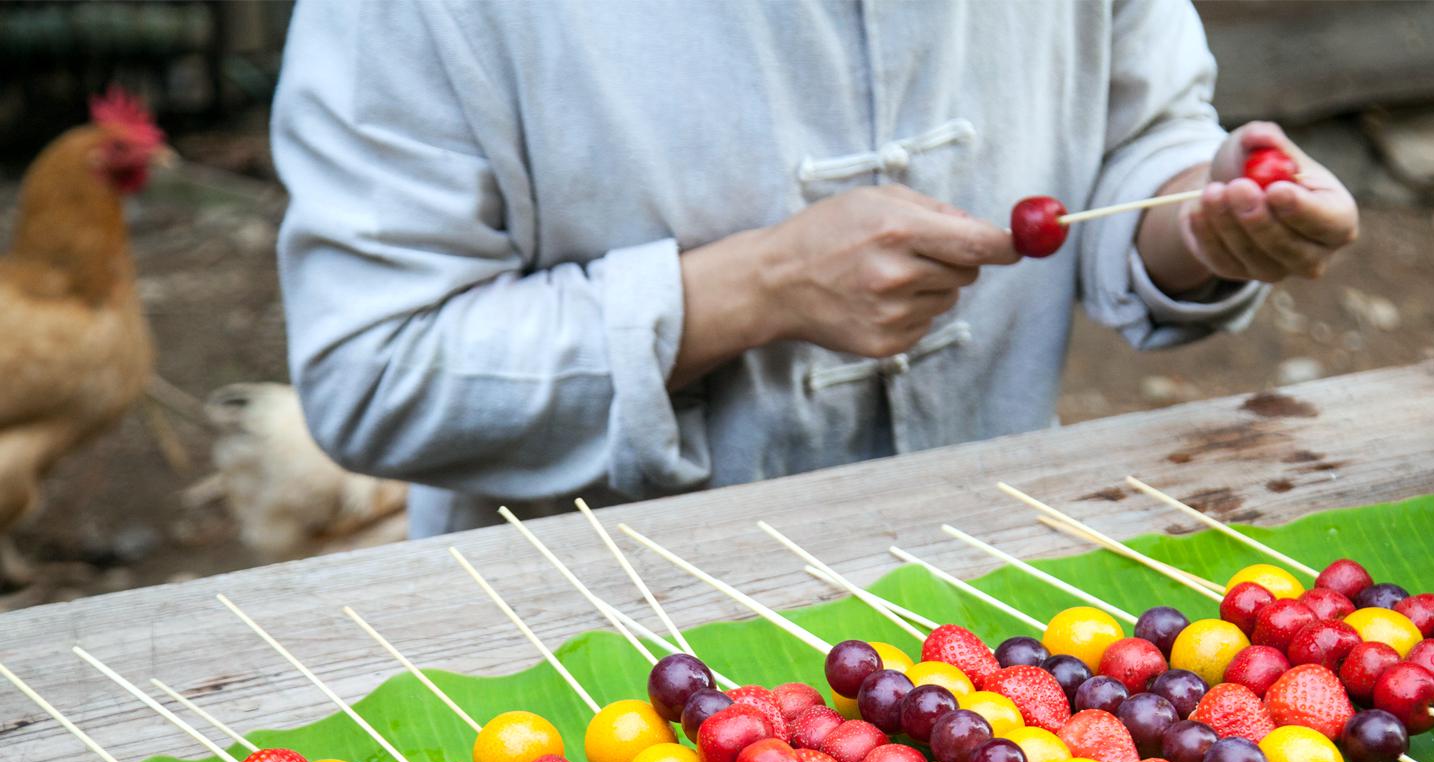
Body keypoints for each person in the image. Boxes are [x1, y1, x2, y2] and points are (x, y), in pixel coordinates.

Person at [272, 1, 1358, 536]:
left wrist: (1203, 221)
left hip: (992, 584)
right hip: (594, 656)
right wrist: (757, 288)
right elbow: (374, 370)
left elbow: (1138, 141)